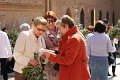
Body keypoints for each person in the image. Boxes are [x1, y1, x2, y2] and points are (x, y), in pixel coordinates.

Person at [42, 15, 91, 80]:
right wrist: (52, 53)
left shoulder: (74, 38)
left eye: (60, 28)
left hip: (73, 75)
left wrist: (51, 56)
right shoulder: (74, 35)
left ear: (66, 26)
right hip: (73, 74)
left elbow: (68, 60)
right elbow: (65, 53)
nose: (59, 31)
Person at [43, 11, 60, 80]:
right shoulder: (43, 32)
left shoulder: (60, 29)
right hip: (50, 61)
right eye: (48, 21)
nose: (50, 23)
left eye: (52, 21)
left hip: (61, 60)